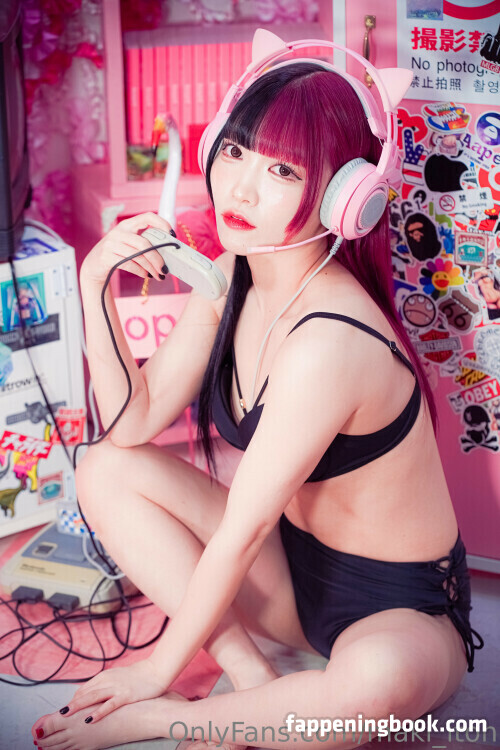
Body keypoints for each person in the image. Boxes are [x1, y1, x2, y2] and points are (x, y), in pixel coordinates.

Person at [31, 36, 483, 750]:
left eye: (281, 169)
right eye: (236, 151)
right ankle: (251, 677)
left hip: (398, 607)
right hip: (292, 572)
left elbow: (240, 532)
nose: (240, 188)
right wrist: (95, 288)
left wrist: (155, 680)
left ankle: (174, 718)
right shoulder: (232, 276)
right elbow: (131, 423)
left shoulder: (329, 342)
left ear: (344, 199)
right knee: (103, 467)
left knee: (375, 684)